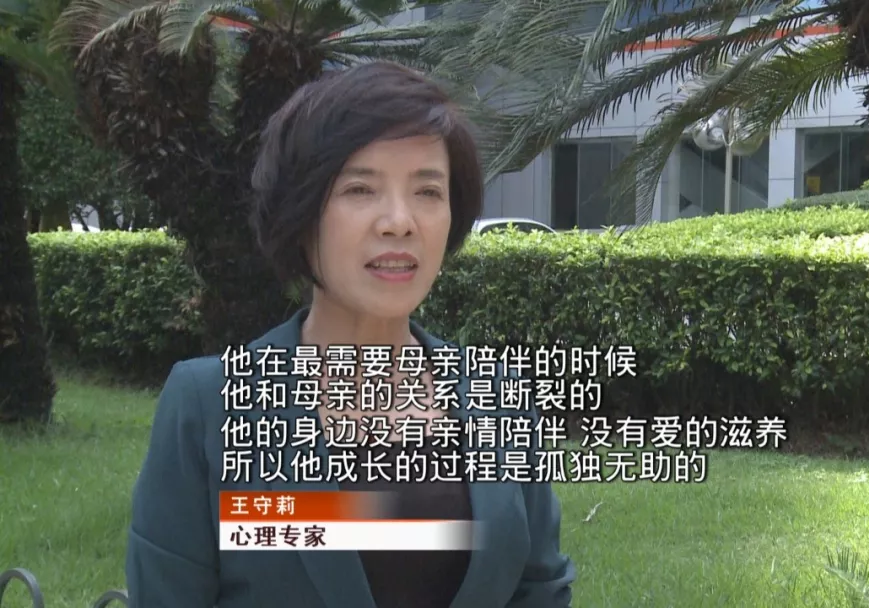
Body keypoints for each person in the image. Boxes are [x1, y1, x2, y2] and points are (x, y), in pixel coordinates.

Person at [124, 60, 575, 608]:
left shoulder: (498, 398)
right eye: (361, 189)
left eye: (428, 191)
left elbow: (539, 588)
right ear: (301, 213)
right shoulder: (210, 406)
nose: (399, 221)